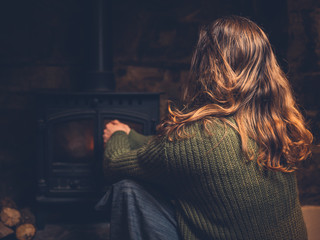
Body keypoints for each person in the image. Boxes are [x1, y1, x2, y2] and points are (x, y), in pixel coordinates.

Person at [100, 16, 313, 240]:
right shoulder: (277, 125)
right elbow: (170, 151)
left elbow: (114, 163)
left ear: (208, 65)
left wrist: (116, 136)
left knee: (127, 189)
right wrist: (130, 134)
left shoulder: (199, 137)